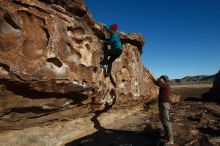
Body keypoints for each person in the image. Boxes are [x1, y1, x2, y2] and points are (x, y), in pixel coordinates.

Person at [147, 70, 174, 145]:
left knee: (166, 121)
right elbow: (156, 81)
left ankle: (170, 139)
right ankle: (167, 135)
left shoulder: (165, 85)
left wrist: (150, 73)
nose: (160, 78)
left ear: (164, 80)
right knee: (163, 119)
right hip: (163, 104)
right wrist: (150, 75)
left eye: (161, 78)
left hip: (164, 104)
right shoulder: (164, 85)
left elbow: (156, 81)